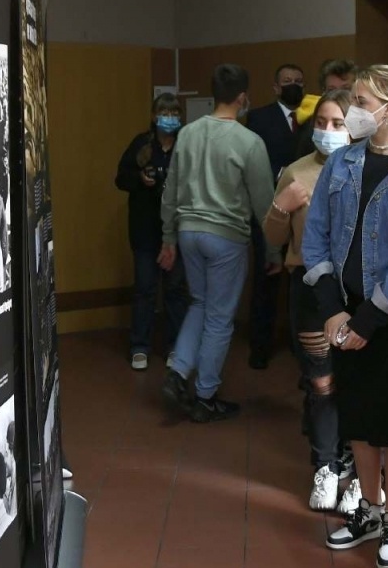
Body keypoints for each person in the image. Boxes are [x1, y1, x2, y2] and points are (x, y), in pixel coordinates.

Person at [303, 64, 388, 568]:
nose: (353, 109)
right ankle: (370, 509)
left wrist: (367, 320)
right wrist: (333, 310)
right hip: (343, 310)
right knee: (356, 416)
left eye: (360, 101)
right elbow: (316, 234)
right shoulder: (343, 163)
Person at [160, 64, 276, 423]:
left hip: (188, 232)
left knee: (200, 302)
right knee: (220, 318)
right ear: (243, 97)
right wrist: (273, 249)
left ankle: (178, 370)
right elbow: (265, 203)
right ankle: (205, 396)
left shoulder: (188, 133)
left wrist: (168, 237)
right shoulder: (249, 142)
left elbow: (171, 190)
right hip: (226, 237)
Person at [262, 89, 361, 512]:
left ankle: (356, 468)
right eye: (321, 123)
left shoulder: (366, 167)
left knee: (355, 381)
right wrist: (281, 207)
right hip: (308, 287)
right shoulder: (296, 171)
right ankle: (325, 466)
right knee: (321, 382)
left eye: (338, 123)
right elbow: (274, 238)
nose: (328, 130)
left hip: (355, 290)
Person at [116, 94, 189, 370]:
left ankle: (176, 346)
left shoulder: (187, 143)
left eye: (174, 112)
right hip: (145, 229)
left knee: (175, 289)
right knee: (145, 288)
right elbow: (120, 179)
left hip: (178, 229)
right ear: (154, 116)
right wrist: (140, 178)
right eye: (164, 112)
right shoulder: (141, 143)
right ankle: (140, 346)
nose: (169, 117)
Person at [245, 64, 307, 369]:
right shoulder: (259, 118)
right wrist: (282, 175)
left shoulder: (313, 117)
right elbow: (254, 161)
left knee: (301, 282)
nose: (293, 85)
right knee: (266, 279)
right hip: (270, 208)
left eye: (298, 81)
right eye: (287, 81)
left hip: (305, 213)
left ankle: (301, 345)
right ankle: (260, 347)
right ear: (275, 87)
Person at [293, 58, 359, 159]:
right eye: (332, 90)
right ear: (323, 92)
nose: (338, 95)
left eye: (346, 89)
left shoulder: (368, 124)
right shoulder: (311, 126)